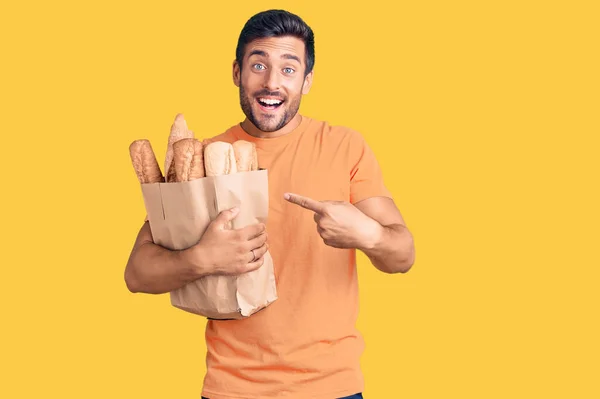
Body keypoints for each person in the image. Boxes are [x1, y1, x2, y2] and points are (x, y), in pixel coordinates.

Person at [124, 9, 415, 399]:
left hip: (332, 388)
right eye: (258, 65)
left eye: (289, 69)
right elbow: (137, 275)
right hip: (231, 388)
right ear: (236, 73)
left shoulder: (345, 147)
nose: (272, 83)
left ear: (307, 80)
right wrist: (202, 259)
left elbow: (403, 255)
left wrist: (368, 234)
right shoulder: (203, 157)